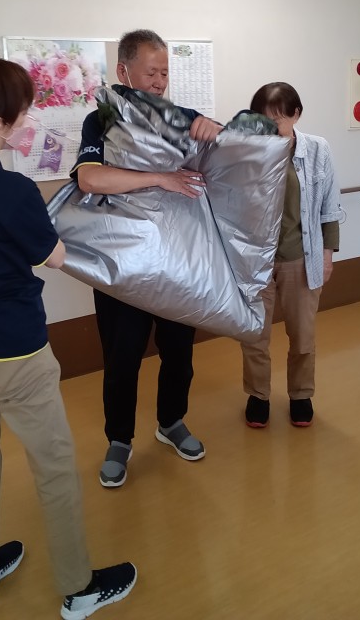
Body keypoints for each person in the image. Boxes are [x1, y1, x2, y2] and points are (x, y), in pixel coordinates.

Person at [0, 53, 137, 619]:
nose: (28, 121)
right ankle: (78, 588)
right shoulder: (10, 189)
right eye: (23, 114)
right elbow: (54, 256)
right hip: (12, 352)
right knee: (54, 466)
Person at [71, 29, 222, 488]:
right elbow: (90, 179)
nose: (159, 82)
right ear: (124, 71)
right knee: (122, 358)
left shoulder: (181, 118)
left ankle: (171, 421)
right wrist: (160, 178)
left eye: (165, 73)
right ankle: (119, 440)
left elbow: (227, 151)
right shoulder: (101, 121)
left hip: (177, 261)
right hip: (122, 265)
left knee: (179, 352)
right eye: (151, 72)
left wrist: (216, 130)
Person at [240, 82, 342, 429]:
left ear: (296, 115)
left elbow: (329, 207)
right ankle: (258, 395)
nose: (268, 129)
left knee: (302, 335)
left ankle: (301, 394)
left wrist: (327, 255)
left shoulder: (317, 149)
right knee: (254, 335)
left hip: (300, 257)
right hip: (256, 261)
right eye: (261, 121)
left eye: (276, 121)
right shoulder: (246, 152)